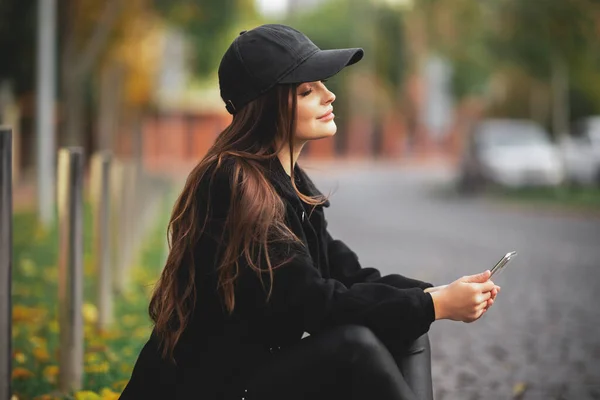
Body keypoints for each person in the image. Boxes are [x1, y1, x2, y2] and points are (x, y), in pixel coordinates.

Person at [119, 24, 500, 400]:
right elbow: (316, 306)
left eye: (322, 85)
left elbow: (348, 275)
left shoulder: (289, 183)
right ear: (267, 106)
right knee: (355, 345)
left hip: (249, 377)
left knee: (406, 323)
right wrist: (435, 304)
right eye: (307, 91)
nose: (330, 96)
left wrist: (435, 296)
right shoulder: (233, 185)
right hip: (207, 388)